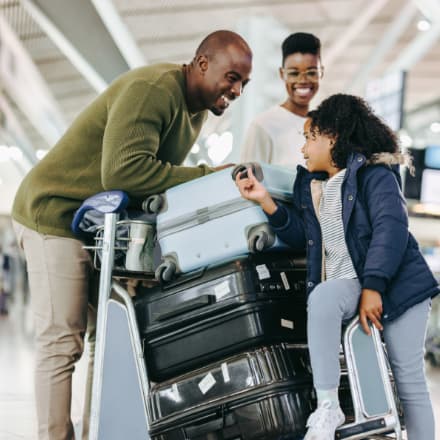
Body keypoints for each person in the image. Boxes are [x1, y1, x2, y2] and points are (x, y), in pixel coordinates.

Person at [11, 30, 252, 440]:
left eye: (243, 83)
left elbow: (147, 186)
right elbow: (125, 173)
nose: (237, 90)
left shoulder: (193, 111)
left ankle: (96, 433)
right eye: (232, 77)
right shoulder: (154, 89)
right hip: (54, 213)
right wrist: (208, 176)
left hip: (96, 226)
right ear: (202, 63)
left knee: (105, 342)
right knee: (62, 340)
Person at [235, 93, 439, 440]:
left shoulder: (375, 175)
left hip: (399, 287)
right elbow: (305, 237)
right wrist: (265, 201)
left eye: (309, 138)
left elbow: (391, 228)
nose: (303, 150)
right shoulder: (314, 187)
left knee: (408, 380)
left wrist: (374, 286)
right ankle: (327, 406)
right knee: (325, 297)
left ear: (332, 137)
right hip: (352, 284)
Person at [240, 32, 323, 168]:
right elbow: (246, 182)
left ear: (321, 73)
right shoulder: (263, 126)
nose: (302, 80)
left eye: (312, 72)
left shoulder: (324, 127)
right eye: (294, 73)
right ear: (282, 74)